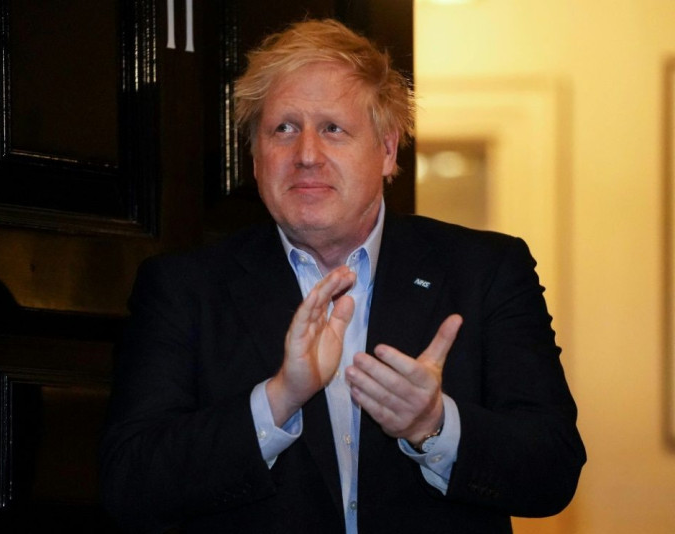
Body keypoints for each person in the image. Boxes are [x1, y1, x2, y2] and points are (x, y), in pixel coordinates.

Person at [99, 19, 586, 534]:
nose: (306, 155)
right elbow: (129, 484)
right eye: (283, 128)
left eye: (333, 128)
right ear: (256, 158)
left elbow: (552, 470)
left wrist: (433, 426)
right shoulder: (182, 289)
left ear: (388, 151)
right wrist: (278, 400)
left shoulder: (485, 271)